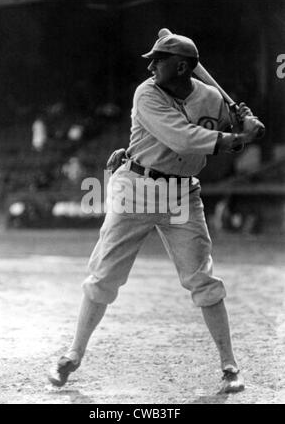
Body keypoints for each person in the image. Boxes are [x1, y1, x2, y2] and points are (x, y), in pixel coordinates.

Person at [48, 31, 260, 393]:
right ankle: (73, 354)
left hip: (180, 195)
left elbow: (225, 137)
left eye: (158, 60)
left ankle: (230, 366)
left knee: (203, 281)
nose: (150, 66)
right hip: (137, 190)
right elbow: (183, 138)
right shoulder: (146, 93)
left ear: (180, 67)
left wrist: (243, 123)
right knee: (104, 277)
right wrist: (238, 138)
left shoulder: (211, 98)